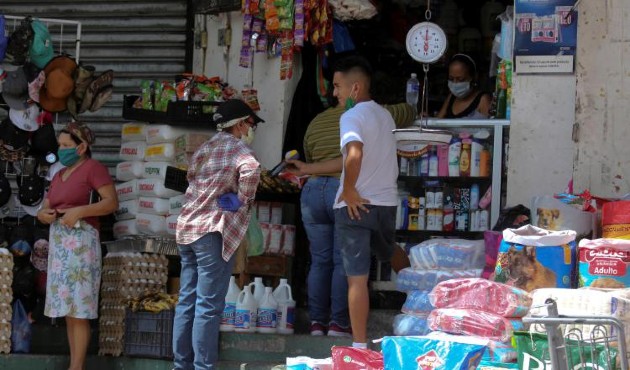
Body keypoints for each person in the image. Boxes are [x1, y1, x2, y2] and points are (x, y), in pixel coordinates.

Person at [288, 92, 414, 338]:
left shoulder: (316, 122)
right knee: (343, 264)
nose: (334, 90)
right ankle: (338, 325)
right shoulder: (376, 114)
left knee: (319, 260)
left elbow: (312, 156)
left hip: (313, 189)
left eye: (336, 85)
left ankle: (316, 324)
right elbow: (410, 111)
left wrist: (308, 170)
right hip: (346, 191)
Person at [173, 99, 263, 370]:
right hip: (212, 231)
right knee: (208, 306)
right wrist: (243, 198)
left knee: (187, 301)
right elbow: (252, 169)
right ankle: (203, 367)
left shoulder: (205, 147)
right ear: (240, 124)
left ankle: (181, 366)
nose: (250, 128)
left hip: (187, 229)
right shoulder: (237, 148)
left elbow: (191, 177)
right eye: (250, 123)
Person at [36, 122, 118, 370]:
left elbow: (111, 203)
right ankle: (75, 365)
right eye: (60, 145)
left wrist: (80, 211)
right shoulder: (59, 175)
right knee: (69, 310)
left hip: (81, 243)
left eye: (67, 145)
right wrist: (43, 214)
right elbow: (45, 205)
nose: (61, 150)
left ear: (82, 147)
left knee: (79, 308)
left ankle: (77, 367)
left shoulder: (94, 169)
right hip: (61, 245)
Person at [333, 55, 401, 349]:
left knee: (356, 280)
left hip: (355, 206)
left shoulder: (350, 116)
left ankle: (359, 346)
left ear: (355, 88)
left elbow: (355, 154)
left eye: (337, 86)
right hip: (385, 204)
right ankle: (425, 294)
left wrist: (348, 190)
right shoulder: (385, 116)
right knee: (390, 253)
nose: (334, 93)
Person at [437, 54, 491, 119]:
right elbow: (437, 122)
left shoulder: (483, 99)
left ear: (473, 77)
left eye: (460, 79)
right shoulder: (451, 97)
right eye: (451, 79)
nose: (455, 83)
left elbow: (490, 127)